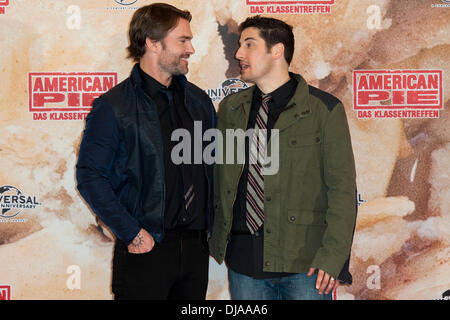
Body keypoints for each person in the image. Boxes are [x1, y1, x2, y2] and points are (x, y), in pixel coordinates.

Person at [209, 16, 357, 300]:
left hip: (306, 267)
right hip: (243, 266)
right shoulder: (230, 108)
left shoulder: (324, 110)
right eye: (239, 45)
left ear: (277, 51)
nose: (238, 54)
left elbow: (342, 190)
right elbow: (220, 178)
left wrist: (333, 256)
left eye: (249, 45)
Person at [76, 3, 216, 300]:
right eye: (183, 40)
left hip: (194, 252)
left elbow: (211, 169)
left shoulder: (200, 102)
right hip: (145, 250)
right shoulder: (113, 106)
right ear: (153, 43)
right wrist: (132, 232)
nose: (191, 48)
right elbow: (90, 176)